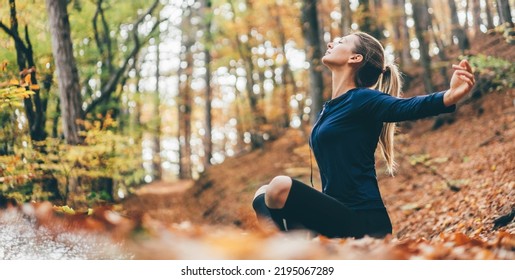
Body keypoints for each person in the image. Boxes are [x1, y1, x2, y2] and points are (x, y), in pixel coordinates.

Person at [251, 31, 475, 239]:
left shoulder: (362, 99)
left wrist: (450, 95)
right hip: (334, 214)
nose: (331, 43)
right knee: (262, 193)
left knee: (279, 185)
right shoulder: (328, 109)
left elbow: (407, 107)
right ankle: (284, 248)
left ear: (355, 58)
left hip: (363, 220)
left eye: (340, 42)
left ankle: (281, 248)